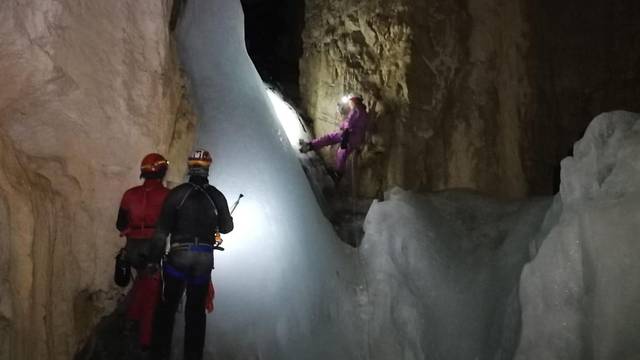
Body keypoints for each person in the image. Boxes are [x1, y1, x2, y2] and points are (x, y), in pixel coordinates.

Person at [150, 149, 234, 360]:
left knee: (167, 308)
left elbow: (162, 231)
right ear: (208, 168)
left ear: (189, 167)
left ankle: (160, 354)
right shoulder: (216, 195)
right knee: (195, 312)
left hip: (178, 257)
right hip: (203, 260)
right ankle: (192, 356)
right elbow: (227, 228)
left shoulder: (177, 194)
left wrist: (153, 259)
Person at [116, 153, 170, 350]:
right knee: (152, 292)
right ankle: (145, 339)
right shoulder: (166, 196)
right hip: (153, 248)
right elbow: (172, 223)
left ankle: (130, 320)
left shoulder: (130, 194)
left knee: (142, 281)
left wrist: (132, 228)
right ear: (162, 172)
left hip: (133, 248)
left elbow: (120, 224)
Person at [299, 93, 369, 183]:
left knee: (332, 141)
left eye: (350, 101)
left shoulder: (357, 110)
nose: (349, 104)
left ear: (354, 100)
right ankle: (337, 174)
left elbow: (349, 123)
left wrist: (343, 124)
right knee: (340, 152)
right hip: (354, 137)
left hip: (349, 136)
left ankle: (310, 146)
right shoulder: (363, 112)